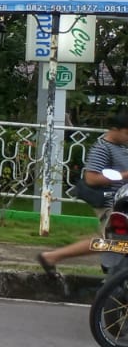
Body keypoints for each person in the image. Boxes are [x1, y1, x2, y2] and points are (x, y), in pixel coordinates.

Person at [38, 112, 128, 274]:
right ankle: (52, 256)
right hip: (110, 203)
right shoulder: (102, 148)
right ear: (115, 129)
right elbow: (91, 178)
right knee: (108, 242)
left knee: (110, 242)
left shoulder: (120, 148)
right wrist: (125, 175)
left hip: (123, 202)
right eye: (127, 132)